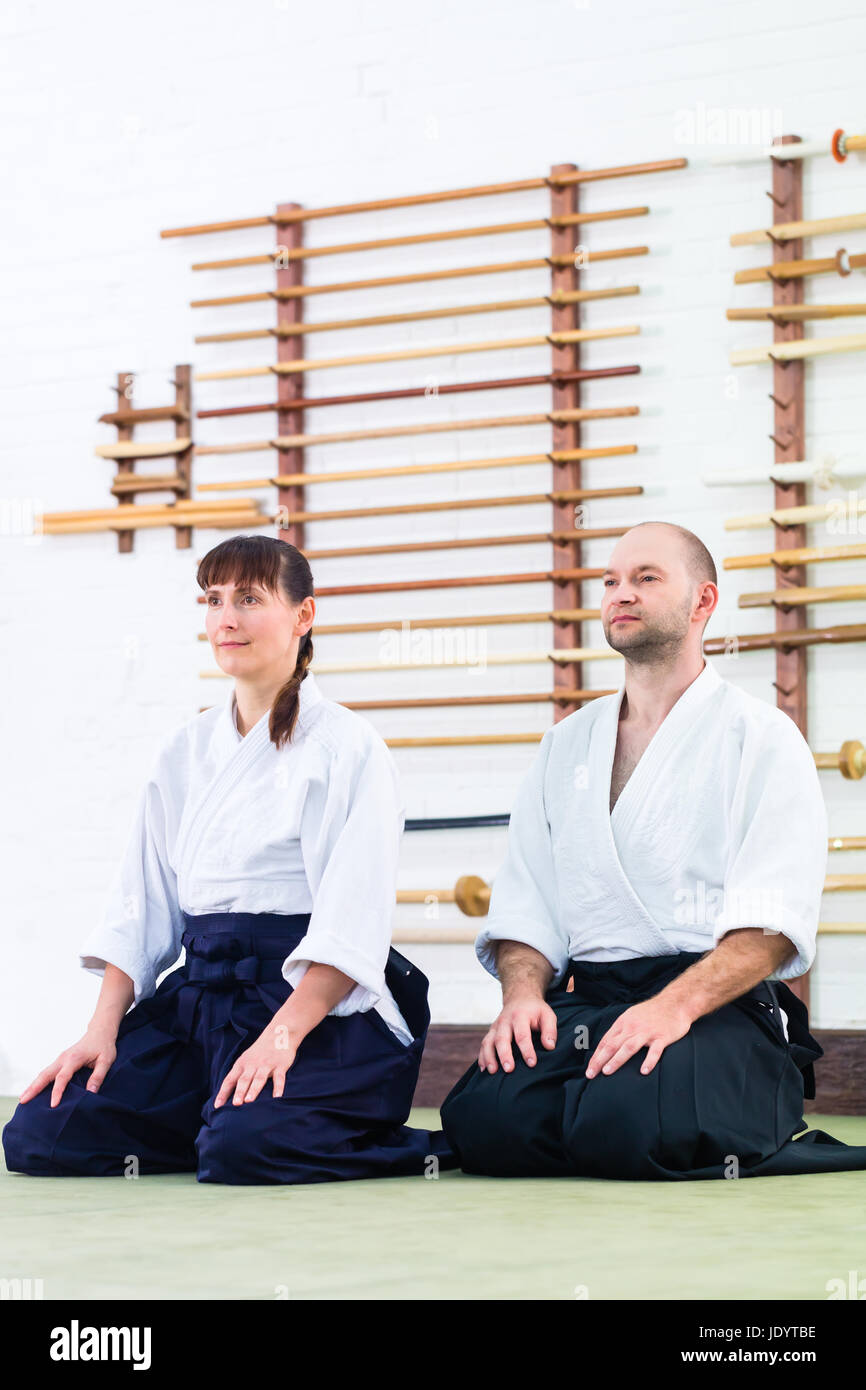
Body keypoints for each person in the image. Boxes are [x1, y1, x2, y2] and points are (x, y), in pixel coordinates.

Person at [3, 535, 455, 1185]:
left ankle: (379, 1143)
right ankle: (219, 1113)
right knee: (42, 1134)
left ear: (304, 617)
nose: (226, 619)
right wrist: (100, 1030)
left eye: (249, 598)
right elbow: (141, 908)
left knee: (246, 1151)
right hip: (200, 1002)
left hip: (311, 1002)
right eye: (214, 600)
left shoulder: (349, 748)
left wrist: (281, 1035)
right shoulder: (183, 753)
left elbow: (350, 921)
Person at [440, 520, 866, 1180]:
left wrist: (673, 1007)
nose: (621, 593)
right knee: (485, 1123)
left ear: (703, 603)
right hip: (595, 999)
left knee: (633, 1123)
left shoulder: (760, 737)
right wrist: (522, 998)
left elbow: (770, 927)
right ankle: (593, 1102)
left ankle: (735, 1098)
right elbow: (528, 906)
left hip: (712, 1003)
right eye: (611, 581)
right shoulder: (566, 746)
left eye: (646, 578)